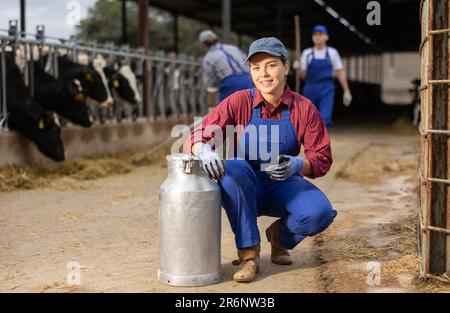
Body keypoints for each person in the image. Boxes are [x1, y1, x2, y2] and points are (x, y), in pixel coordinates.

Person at [185, 37, 337, 283]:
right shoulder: (239, 101)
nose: (263, 74)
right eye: (256, 68)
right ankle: (249, 256)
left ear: (285, 67)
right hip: (246, 187)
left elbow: (322, 158)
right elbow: (199, 133)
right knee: (231, 168)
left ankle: (280, 236)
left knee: (319, 213)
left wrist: (299, 164)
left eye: (271, 65)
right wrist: (202, 149)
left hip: (285, 184)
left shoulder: (304, 108)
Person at [296, 25, 352, 127]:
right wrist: (298, 68)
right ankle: (311, 141)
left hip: (326, 88)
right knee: (308, 118)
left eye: (320, 34)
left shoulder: (332, 53)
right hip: (310, 88)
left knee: (325, 118)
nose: (317, 37)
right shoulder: (307, 53)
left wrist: (346, 90)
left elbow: (340, 72)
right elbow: (303, 76)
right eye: (314, 34)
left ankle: (322, 142)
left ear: (326, 37)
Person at [198, 30, 253, 106]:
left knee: (227, 114)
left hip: (230, 85)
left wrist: (211, 107)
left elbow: (212, 87)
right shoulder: (233, 48)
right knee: (252, 110)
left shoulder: (208, 58)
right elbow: (249, 63)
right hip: (250, 80)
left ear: (203, 44)